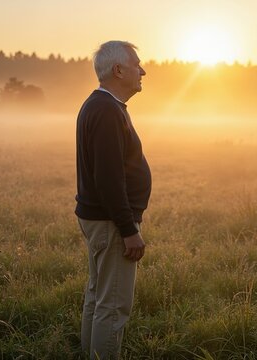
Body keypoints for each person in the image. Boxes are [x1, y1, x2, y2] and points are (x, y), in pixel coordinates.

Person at [75, 40, 150, 360]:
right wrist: (128, 228)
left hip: (100, 218)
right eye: (137, 64)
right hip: (110, 222)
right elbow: (108, 178)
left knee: (98, 297)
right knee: (114, 305)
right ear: (118, 70)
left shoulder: (101, 105)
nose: (143, 70)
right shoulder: (105, 110)